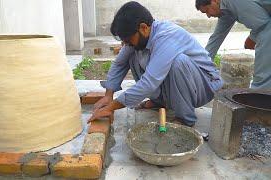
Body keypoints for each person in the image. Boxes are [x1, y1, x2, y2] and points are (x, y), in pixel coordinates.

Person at [88, 1, 223, 127]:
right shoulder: (138, 36)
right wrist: (108, 96)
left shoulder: (167, 36)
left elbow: (149, 83)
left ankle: (185, 118)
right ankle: (160, 103)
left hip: (204, 85)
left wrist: (111, 107)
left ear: (144, 28)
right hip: (188, 83)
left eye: (128, 39)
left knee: (178, 62)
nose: (126, 43)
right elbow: (119, 64)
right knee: (133, 55)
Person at [195, 0, 271, 89]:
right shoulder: (225, 11)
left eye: (207, 10)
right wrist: (203, 65)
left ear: (215, 1)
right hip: (265, 25)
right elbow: (216, 38)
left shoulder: (235, 2)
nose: (208, 16)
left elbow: (263, 25)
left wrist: (252, 39)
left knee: (263, 72)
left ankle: (258, 96)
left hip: (266, 26)